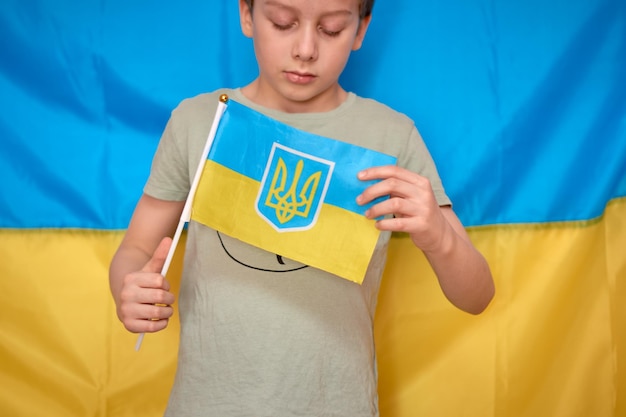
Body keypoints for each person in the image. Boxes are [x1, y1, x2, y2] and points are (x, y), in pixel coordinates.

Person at [109, 0, 495, 415]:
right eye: (283, 23)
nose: (306, 49)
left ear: (361, 29)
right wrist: (128, 291)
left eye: (330, 29)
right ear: (246, 15)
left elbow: (477, 296)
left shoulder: (390, 137)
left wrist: (438, 237)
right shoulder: (200, 121)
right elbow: (135, 250)